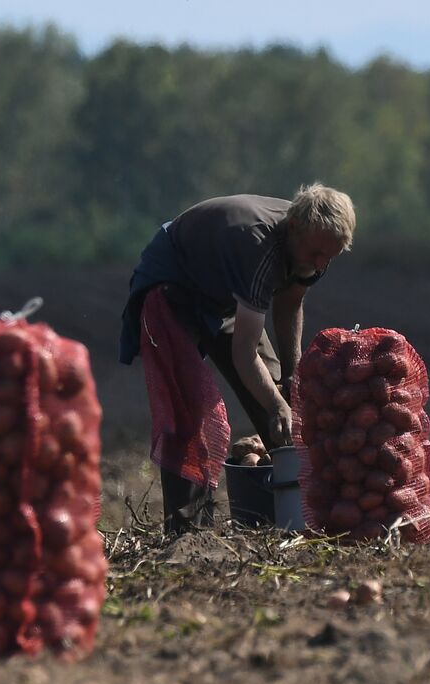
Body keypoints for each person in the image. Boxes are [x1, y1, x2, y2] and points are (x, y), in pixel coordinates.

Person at [120, 184, 356, 532]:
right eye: (316, 253)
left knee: (279, 392)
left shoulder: (315, 245)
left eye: (330, 256)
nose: (321, 263)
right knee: (190, 410)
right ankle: (188, 532)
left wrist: (292, 378)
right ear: (293, 228)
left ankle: (299, 510)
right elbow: (244, 355)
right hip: (171, 286)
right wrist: (278, 406)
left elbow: (290, 303)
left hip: (224, 295)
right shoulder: (260, 248)